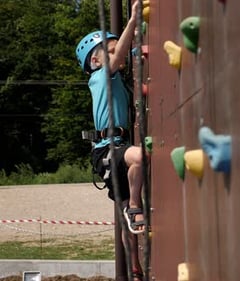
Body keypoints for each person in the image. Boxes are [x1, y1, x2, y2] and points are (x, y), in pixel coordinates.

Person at [75, 1, 145, 279]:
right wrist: (132, 22)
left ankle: (135, 268)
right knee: (139, 157)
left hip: (113, 148)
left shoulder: (113, 76)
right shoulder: (100, 76)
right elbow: (116, 61)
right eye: (112, 49)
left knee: (123, 212)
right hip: (108, 149)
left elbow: (123, 58)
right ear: (95, 60)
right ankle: (137, 205)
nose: (120, 54)